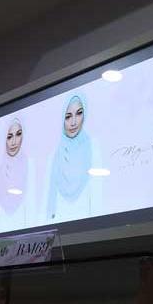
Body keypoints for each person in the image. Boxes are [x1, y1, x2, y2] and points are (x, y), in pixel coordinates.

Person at [46, 94, 103, 223]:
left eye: (79, 113)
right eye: (68, 116)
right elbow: (49, 201)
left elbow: (97, 196)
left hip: (91, 228)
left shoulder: (93, 147)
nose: (73, 122)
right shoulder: (54, 156)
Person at [0, 118, 36, 234]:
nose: (14, 142)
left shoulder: (30, 165)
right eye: (9, 137)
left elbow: (32, 205)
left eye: (18, 134)